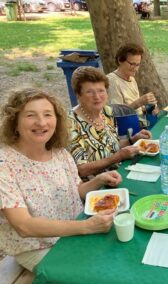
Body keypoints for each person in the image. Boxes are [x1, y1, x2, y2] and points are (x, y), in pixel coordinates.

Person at [0, 88, 122, 272]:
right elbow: (23, 226)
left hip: (75, 231)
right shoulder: (4, 164)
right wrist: (86, 226)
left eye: (48, 114)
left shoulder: (60, 153)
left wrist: (98, 180)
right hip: (38, 247)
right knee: (96, 271)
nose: (41, 122)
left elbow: (76, 191)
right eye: (31, 115)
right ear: (14, 122)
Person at [68, 66, 151, 179]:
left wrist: (133, 139)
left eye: (101, 90)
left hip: (118, 173)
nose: (97, 97)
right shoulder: (70, 123)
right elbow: (82, 170)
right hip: (97, 187)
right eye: (89, 92)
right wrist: (118, 157)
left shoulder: (107, 112)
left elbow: (111, 146)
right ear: (78, 95)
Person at [107, 43, 158, 120]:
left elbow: (136, 109)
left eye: (137, 65)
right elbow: (116, 114)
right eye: (132, 64)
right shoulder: (112, 81)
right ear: (120, 60)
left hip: (140, 121)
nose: (135, 69)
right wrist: (139, 102)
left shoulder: (131, 78)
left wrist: (149, 107)